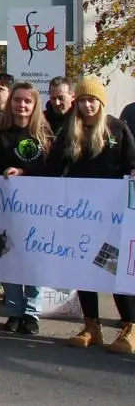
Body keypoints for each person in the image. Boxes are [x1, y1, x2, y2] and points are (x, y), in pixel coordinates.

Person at [46, 77, 135, 354]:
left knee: (112, 268)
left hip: (111, 215)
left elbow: (132, 161)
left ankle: (130, 327)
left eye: (91, 100)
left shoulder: (116, 129)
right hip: (80, 214)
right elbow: (52, 167)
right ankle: (91, 325)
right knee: (85, 268)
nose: (87, 105)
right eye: (83, 100)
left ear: (101, 102)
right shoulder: (69, 131)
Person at [0, 81, 52, 335]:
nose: (21, 105)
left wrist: (24, 171)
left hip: (37, 215)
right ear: (10, 103)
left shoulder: (45, 137)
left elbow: (52, 172)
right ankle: (13, 311)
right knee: (8, 260)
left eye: (27, 101)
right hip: (4, 214)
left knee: (33, 263)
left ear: (34, 105)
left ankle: (31, 314)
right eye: (17, 100)